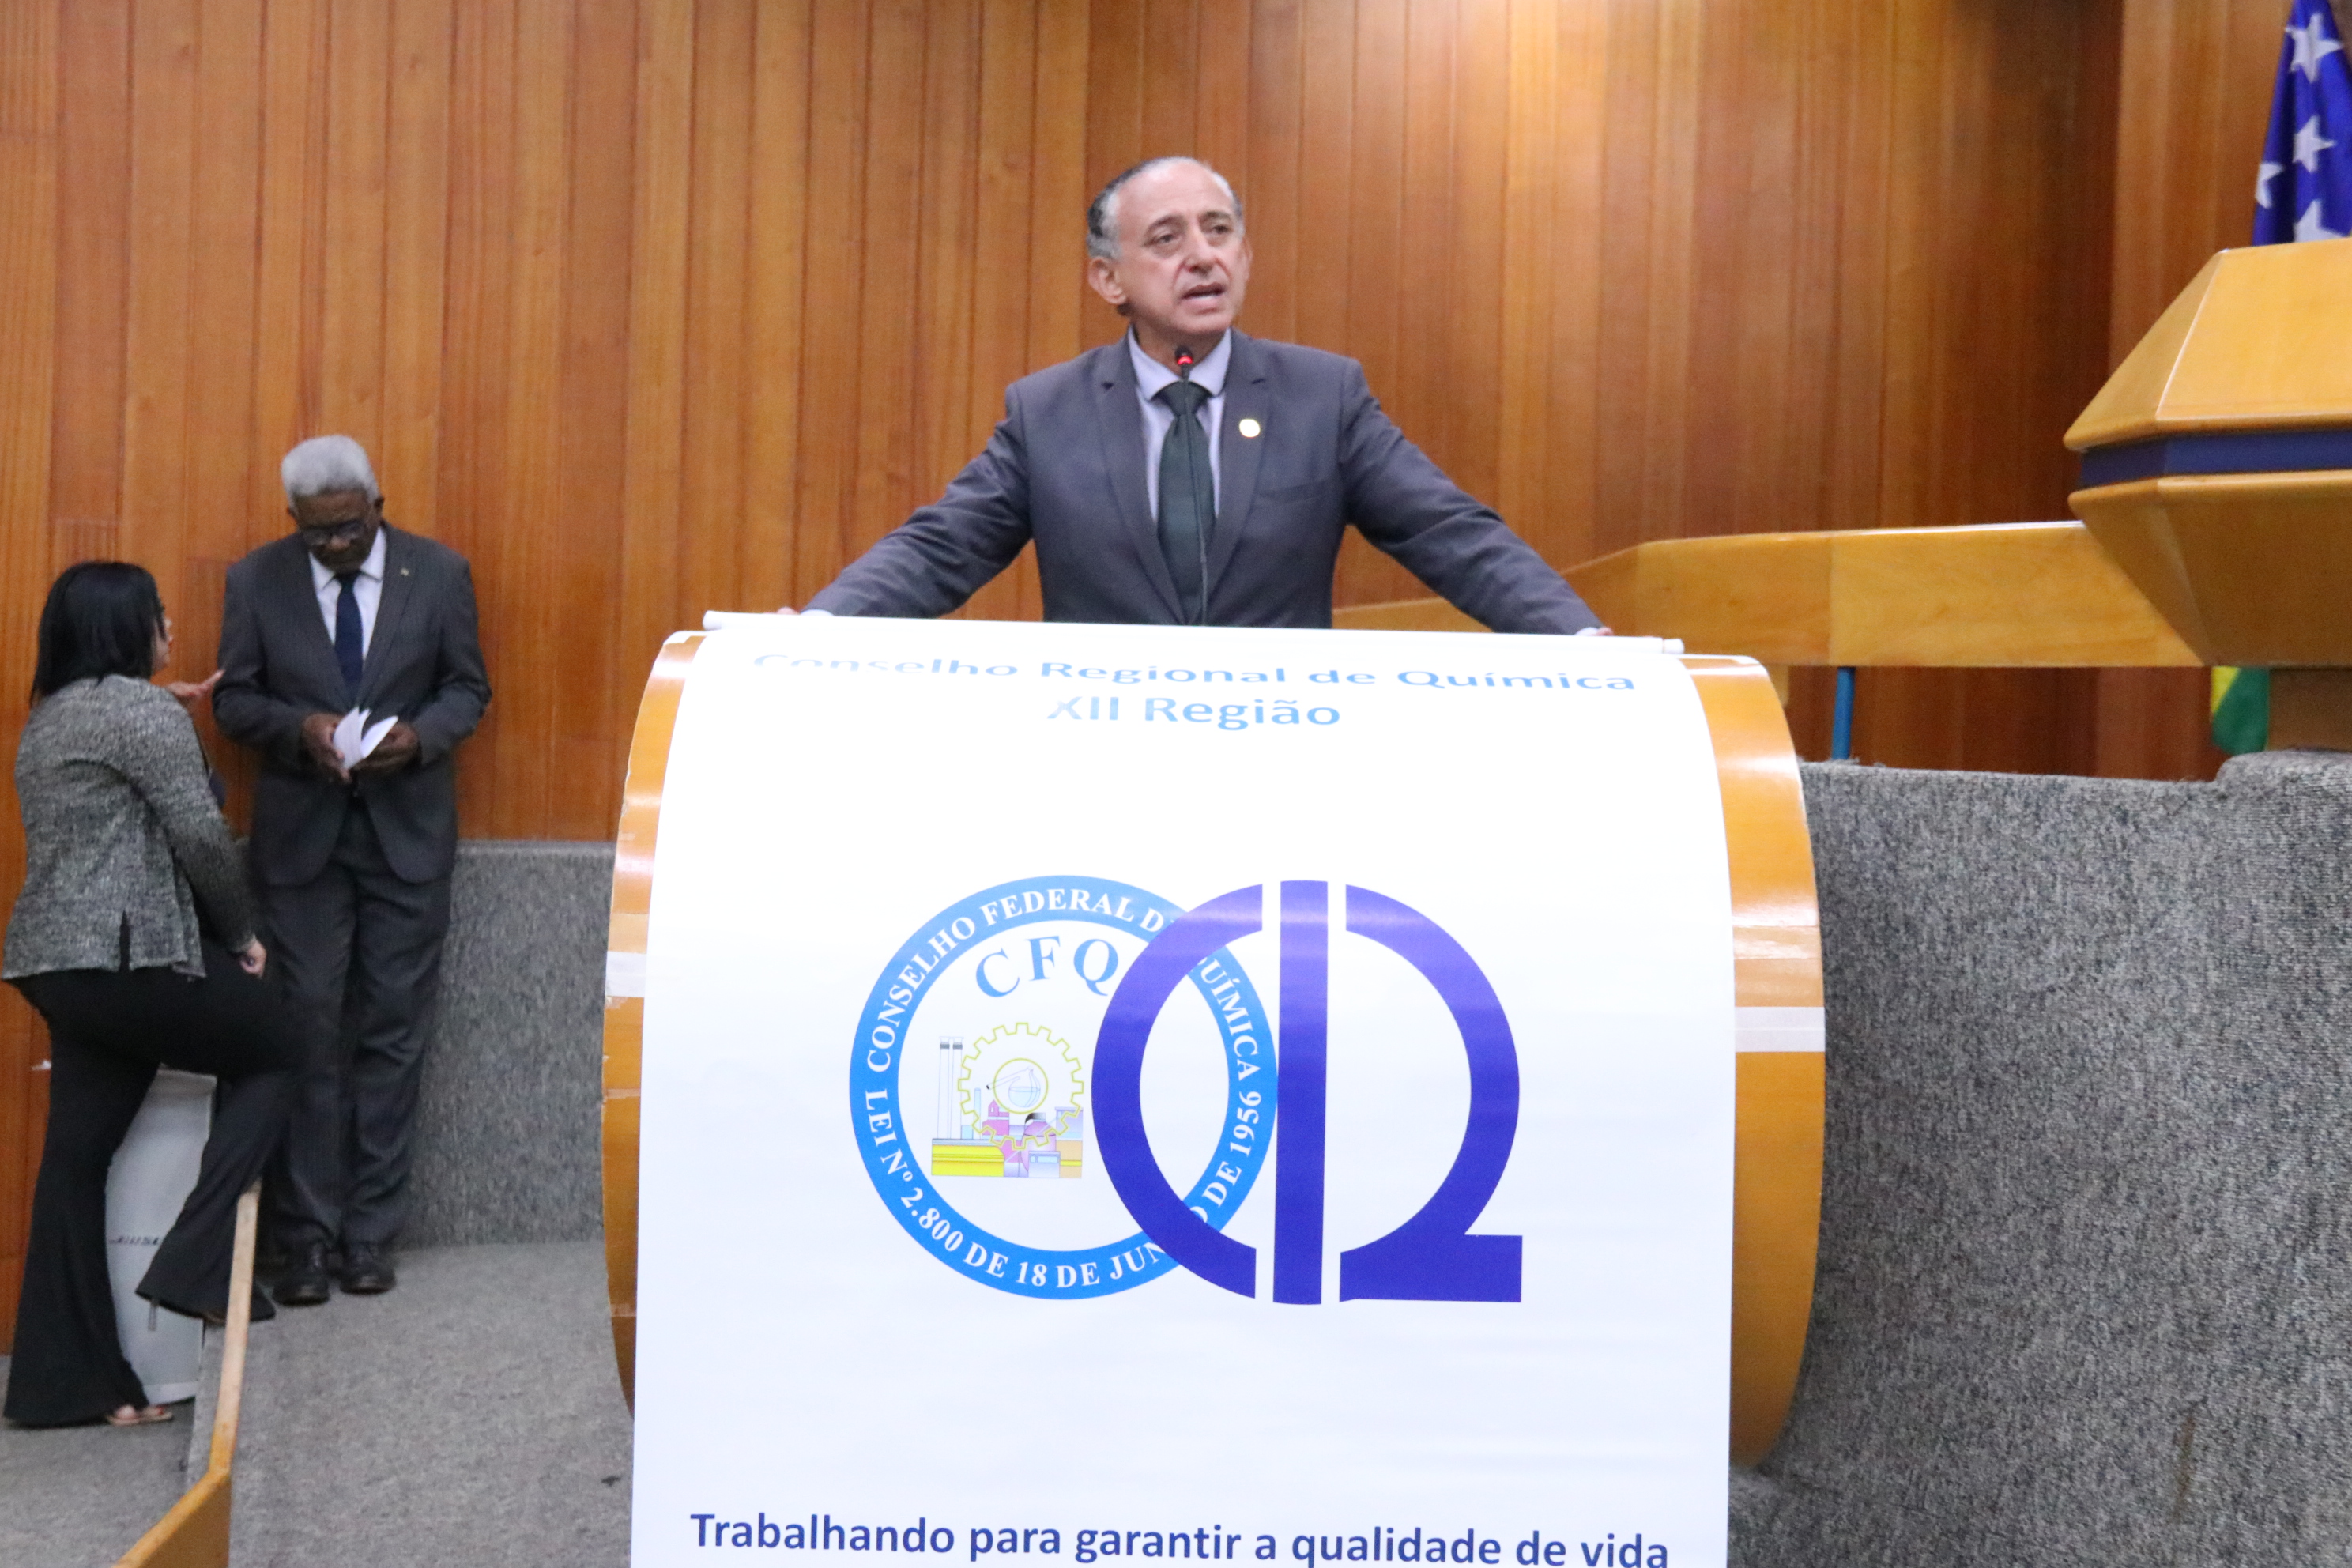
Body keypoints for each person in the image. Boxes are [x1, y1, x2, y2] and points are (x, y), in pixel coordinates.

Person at [802, 156, 1606, 634]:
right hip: (1106, 756)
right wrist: (819, 630)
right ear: (1108, 278)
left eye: (1219, 231)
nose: (1201, 256)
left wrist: (1579, 638)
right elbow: (941, 549)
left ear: (1245, 257)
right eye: (1167, 238)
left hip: (1278, 753)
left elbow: (1449, 533)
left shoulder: (1323, 398)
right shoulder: (1047, 414)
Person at [3, 563, 297, 1428]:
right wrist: (241, 934)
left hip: (59, 965)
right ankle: (197, 1262)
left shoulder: (54, 714)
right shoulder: (137, 712)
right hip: (129, 957)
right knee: (283, 1047)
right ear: (124, 626)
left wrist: (164, 712)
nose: (171, 623)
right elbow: (200, 834)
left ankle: (64, 1384)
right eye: (158, 613)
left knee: (77, 1157)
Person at [213, 435, 490, 1306]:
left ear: (378, 505)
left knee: (393, 1036)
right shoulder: (257, 580)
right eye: (317, 533)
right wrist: (299, 729)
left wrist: (421, 738)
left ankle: (372, 1234)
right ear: (292, 520)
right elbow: (234, 698)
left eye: (349, 528)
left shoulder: (438, 574)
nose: (335, 545)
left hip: (407, 837)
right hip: (302, 844)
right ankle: (304, 1238)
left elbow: (467, 689)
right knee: (306, 1033)